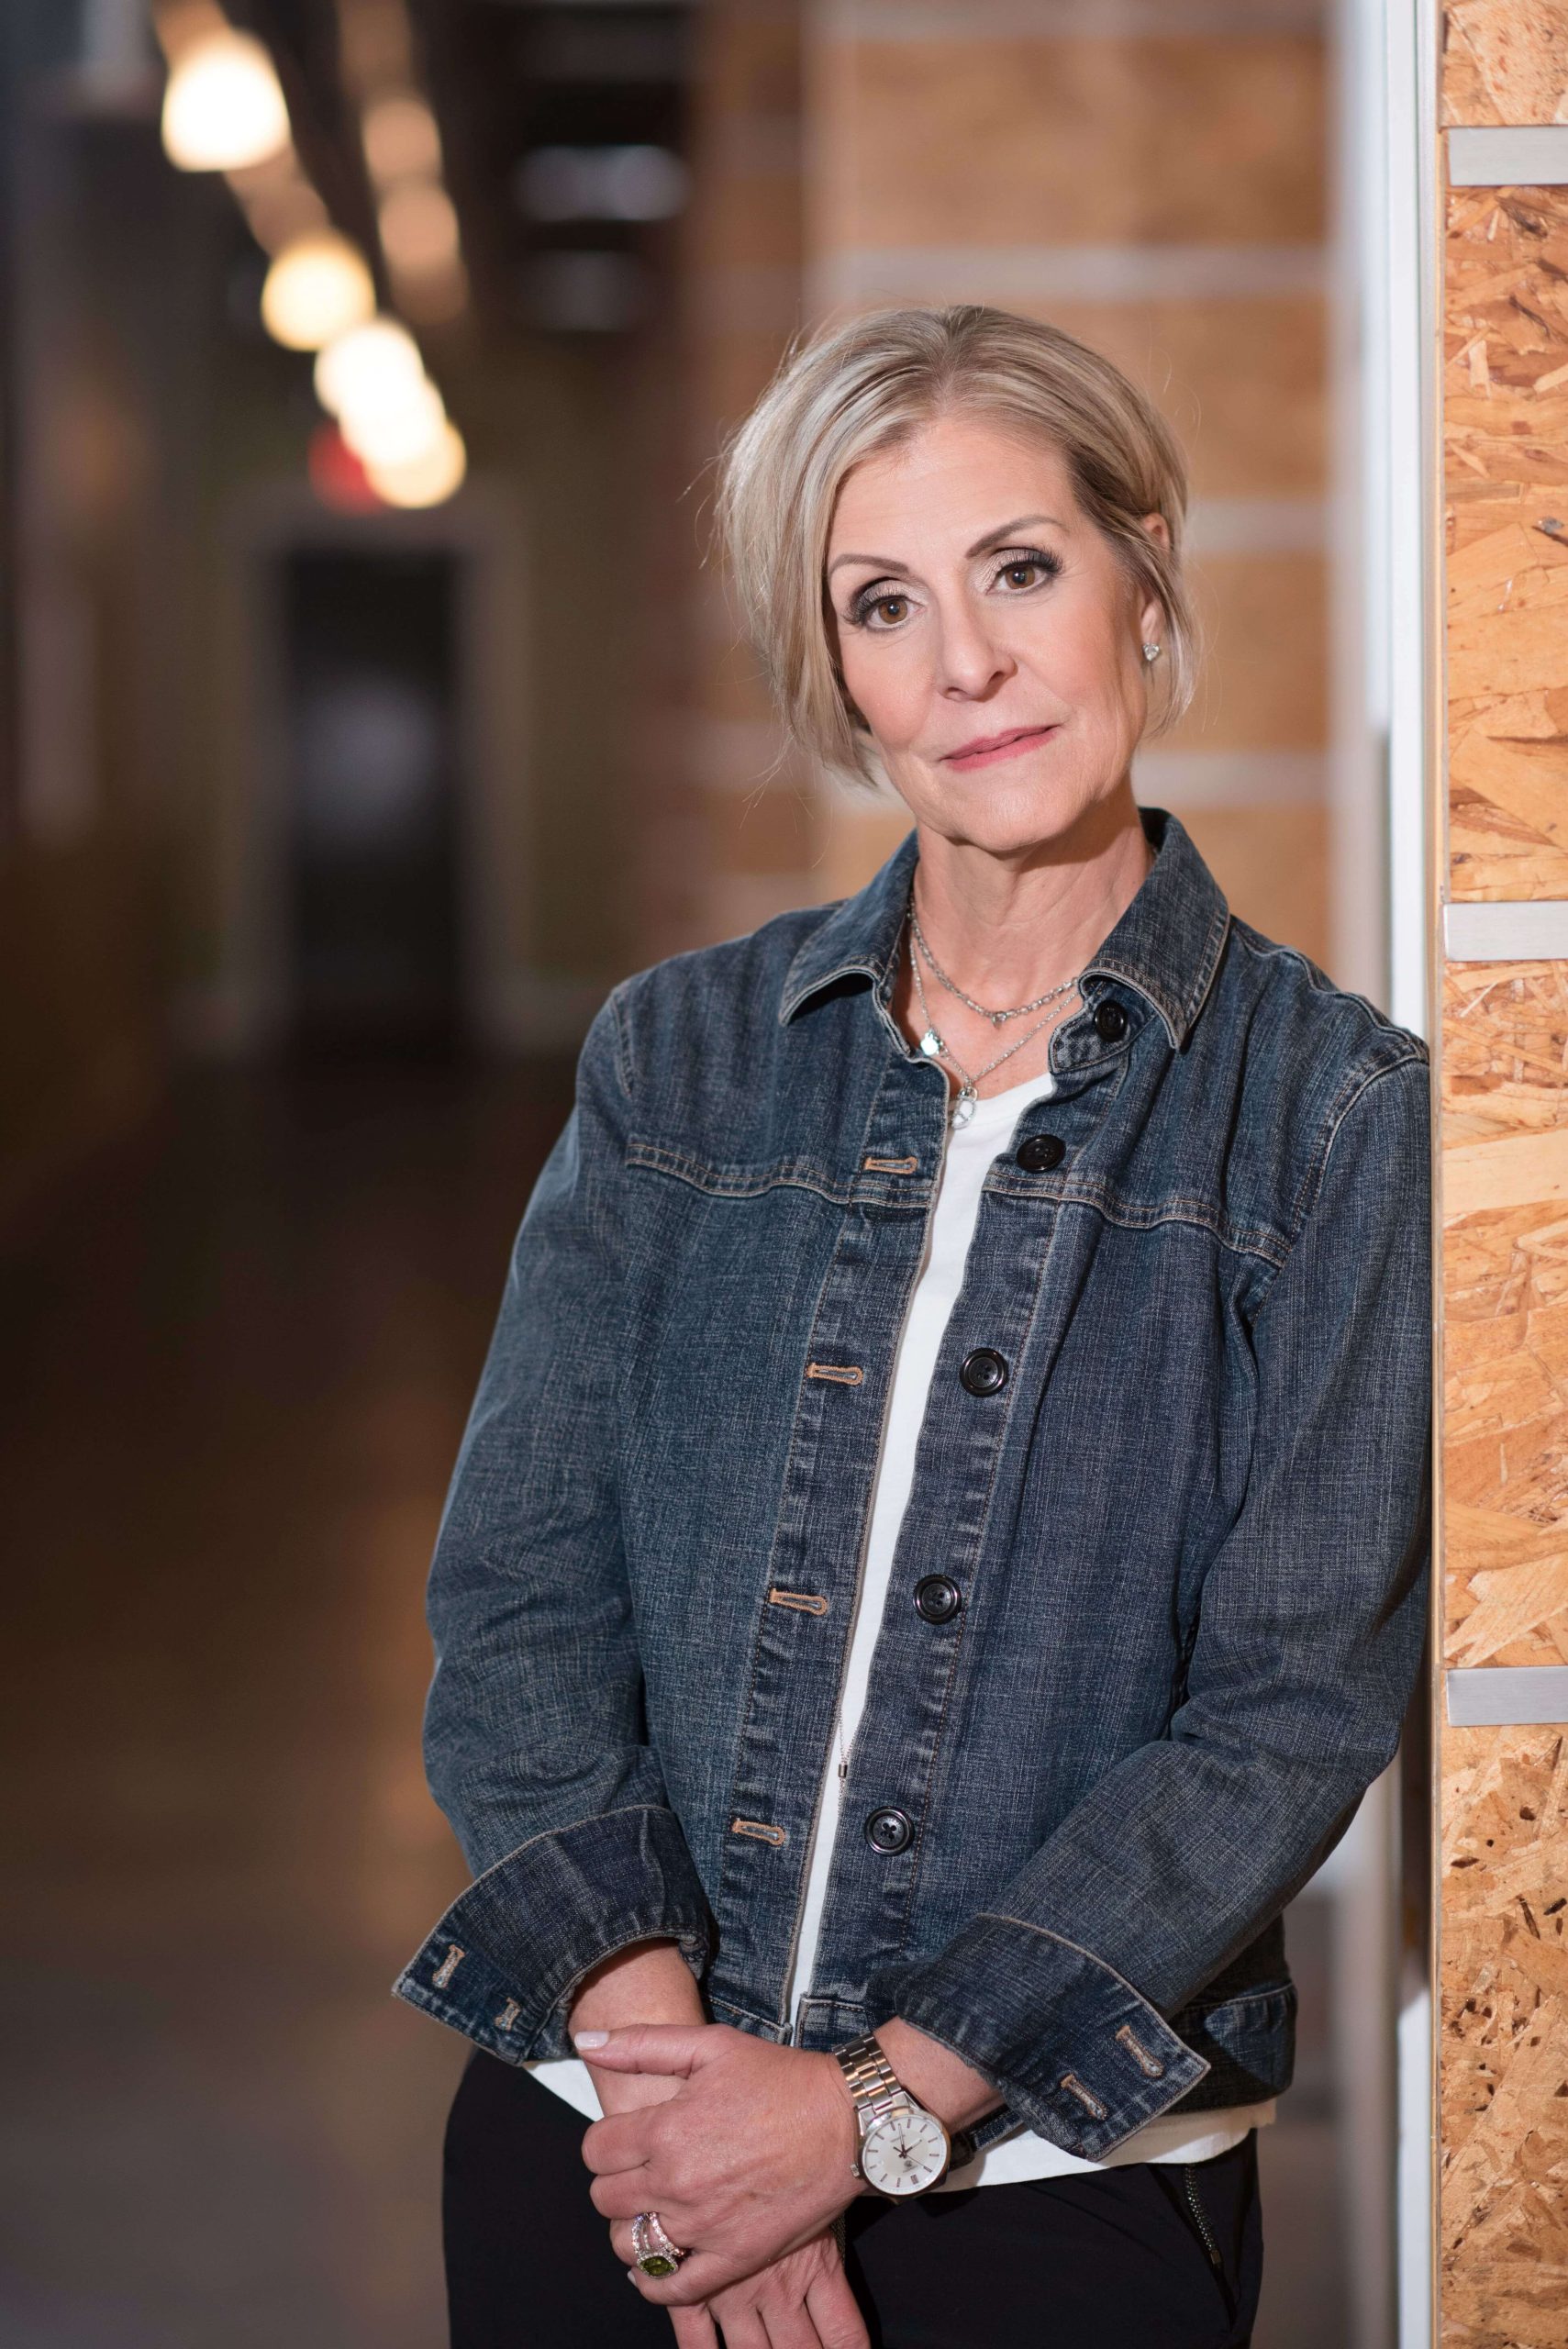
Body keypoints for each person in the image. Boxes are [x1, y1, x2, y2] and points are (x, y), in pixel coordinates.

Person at [395, 303, 1430, 2349]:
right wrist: (691, 2106)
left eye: (1021, 569)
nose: (967, 663)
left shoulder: (1332, 1114)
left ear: (1144, 574)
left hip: (1045, 2196)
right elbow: (519, 1594)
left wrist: (865, 2112)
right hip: (606, 2148)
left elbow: (1284, 1712)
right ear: (837, 672)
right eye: (885, 603)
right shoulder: (680, 1059)